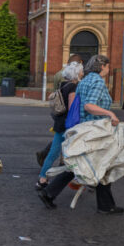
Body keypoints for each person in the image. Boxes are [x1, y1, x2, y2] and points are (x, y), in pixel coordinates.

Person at [37, 54, 124, 214]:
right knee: (102, 165)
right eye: (107, 66)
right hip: (95, 131)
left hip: (85, 128)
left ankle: (49, 193)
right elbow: (89, 106)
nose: (108, 69)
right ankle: (105, 205)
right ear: (102, 66)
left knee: (80, 164)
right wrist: (110, 114)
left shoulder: (84, 81)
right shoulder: (97, 81)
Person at [35, 61, 83, 189]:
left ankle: (42, 179)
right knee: (73, 154)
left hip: (60, 122)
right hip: (68, 124)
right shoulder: (72, 87)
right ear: (76, 74)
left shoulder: (63, 85)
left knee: (53, 153)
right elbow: (72, 108)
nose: (82, 74)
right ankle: (77, 180)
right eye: (81, 72)